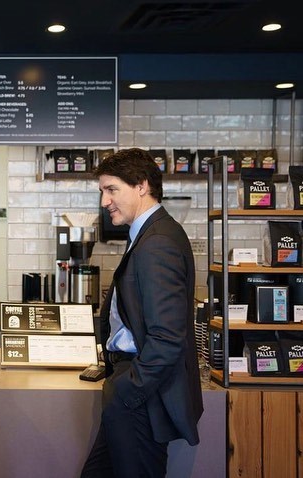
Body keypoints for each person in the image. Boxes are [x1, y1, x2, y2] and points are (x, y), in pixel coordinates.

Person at [81, 148, 203, 478]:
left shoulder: (158, 241)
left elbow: (167, 337)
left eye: (111, 189)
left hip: (139, 395)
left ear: (141, 186)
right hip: (131, 388)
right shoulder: (150, 235)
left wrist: (128, 391)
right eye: (102, 191)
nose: (105, 201)